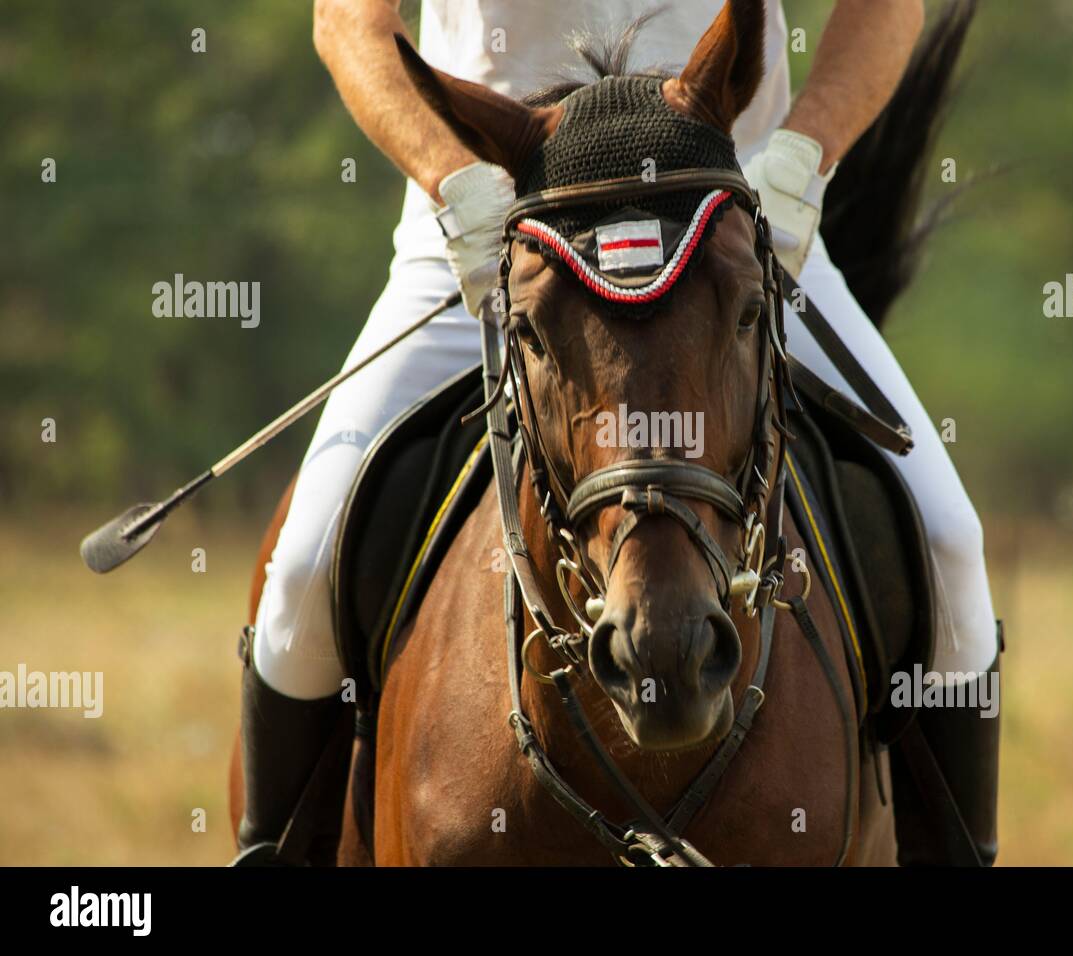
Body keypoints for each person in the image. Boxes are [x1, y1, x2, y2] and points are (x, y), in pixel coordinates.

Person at [235, 0, 999, 862]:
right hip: (500, 222)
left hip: (729, 219)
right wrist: (455, 181)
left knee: (949, 542)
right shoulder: (478, 205)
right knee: (301, 569)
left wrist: (804, 157)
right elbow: (348, 24)